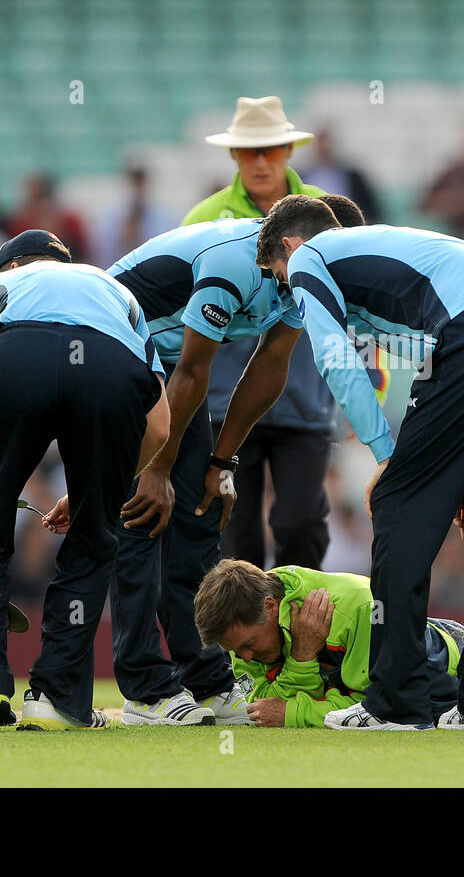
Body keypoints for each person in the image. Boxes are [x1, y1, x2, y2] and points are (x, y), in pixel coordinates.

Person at [258, 196, 464, 731]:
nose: (286, 293)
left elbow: (338, 364)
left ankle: (397, 703)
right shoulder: (386, 254)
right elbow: (430, 363)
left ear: (289, 247)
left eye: (278, 277)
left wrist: (387, 459)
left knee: (397, 505)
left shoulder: (312, 258)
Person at [86, 194, 364, 726]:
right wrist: (157, 469)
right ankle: (145, 692)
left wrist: (221, 463)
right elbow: (192, 375)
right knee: (143, 517)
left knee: (198, 516)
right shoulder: (233, 263)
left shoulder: (299, 277)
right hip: (113, 353)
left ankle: (205, 678)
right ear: (294, 246)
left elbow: (271, 364)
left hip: (162, 367)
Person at [0, 230, 171, 731]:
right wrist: (90, 499)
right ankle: (56, 698)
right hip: (109, 366)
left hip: (19, 356)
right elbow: (161, 425)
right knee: (92, 538)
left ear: (10, 268)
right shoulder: (112, 290)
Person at [185, 96, 377, 573]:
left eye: (271, 149)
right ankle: (243, 641)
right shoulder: (202, 219)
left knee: (301, 523)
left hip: (305, 400)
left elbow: (359, 298)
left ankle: (298, 632)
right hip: (226, 406)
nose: (262, 160)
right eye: (250, 151)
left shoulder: (325, 216)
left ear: (289, 150)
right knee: (236, 532)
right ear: (234, 156)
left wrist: (371, 381)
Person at [193, 559, 464, 728]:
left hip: (436, 662)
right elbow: (265, 703)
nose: (244, 659)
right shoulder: (247, 628)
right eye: (237, 653)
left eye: (248, 646)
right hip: (424, 647)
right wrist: (304, 664)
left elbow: (371, 705)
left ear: (271, 608)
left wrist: (300, 693)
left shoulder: (350, 611)